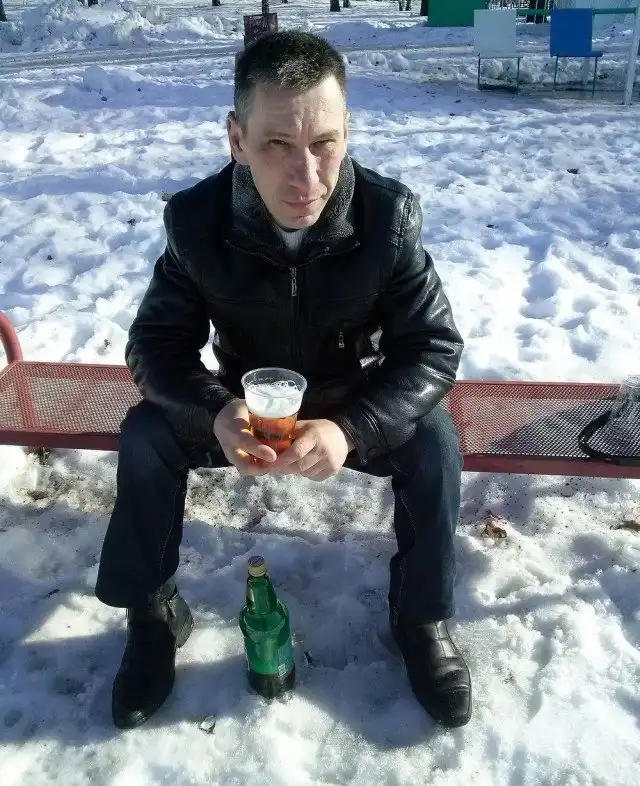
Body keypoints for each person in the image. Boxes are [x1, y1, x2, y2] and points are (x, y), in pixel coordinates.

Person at [95, 30, 471, 731]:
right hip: (244, 409)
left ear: (347, 130)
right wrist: (215, 411)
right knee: (147, 433)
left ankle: (420, 618)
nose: (307, 177)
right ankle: (152, 615)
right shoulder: (197, 221)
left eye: (325, 143)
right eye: (276, 145)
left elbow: (432, 346)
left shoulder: (387, 218)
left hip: (347, 403)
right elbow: (155, 344)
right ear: (237, 139)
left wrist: (351, 427)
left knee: (434, 442)